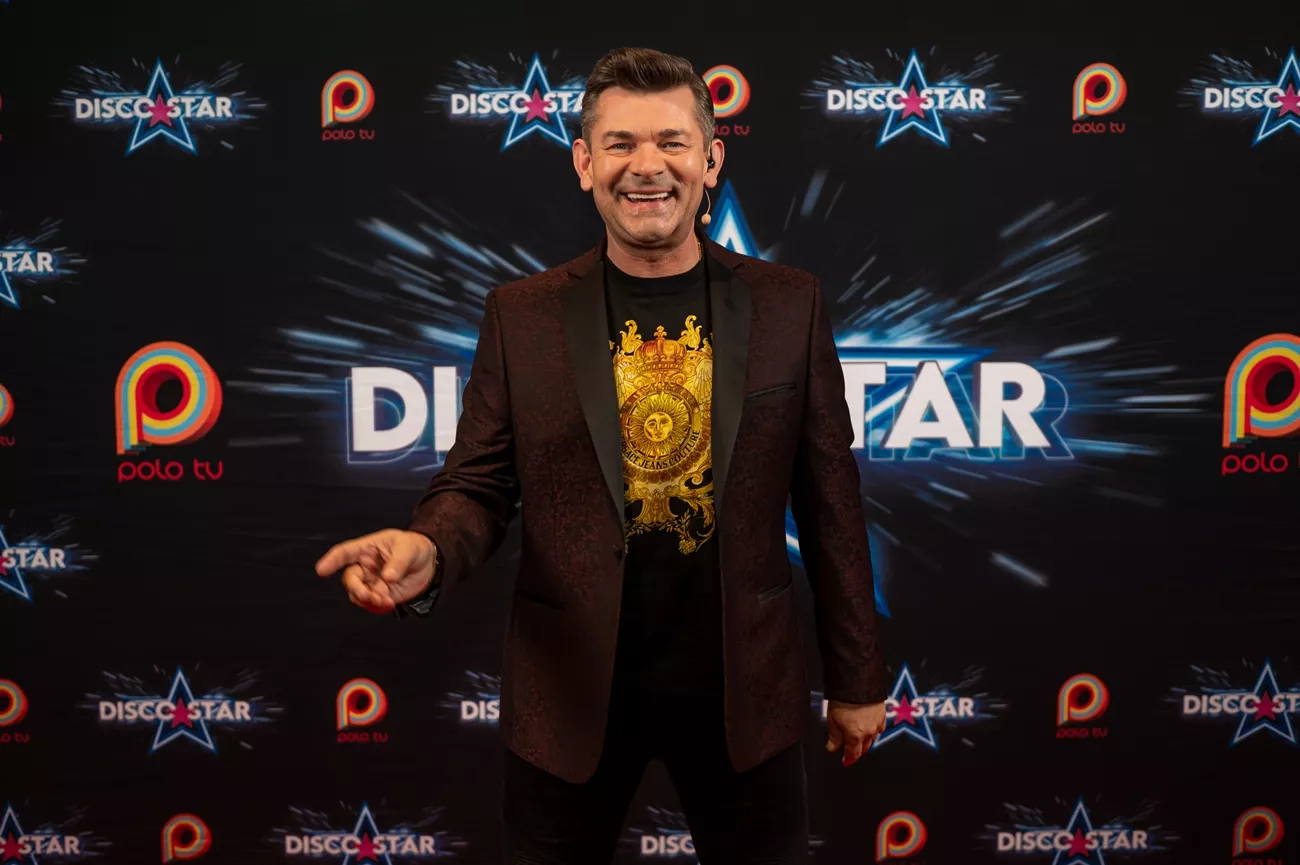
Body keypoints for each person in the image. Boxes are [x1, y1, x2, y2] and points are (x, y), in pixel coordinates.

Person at [315, 46, 887, 865]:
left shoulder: (789, 303)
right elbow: (478, 482)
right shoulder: (522, 315)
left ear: (711, 160)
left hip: (743, 693)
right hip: (568, 697)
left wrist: (857, 676)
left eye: (672, 141)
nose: (646, 165)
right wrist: (428, 547)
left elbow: (830, 500)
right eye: (620, 144)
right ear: (585, 164)